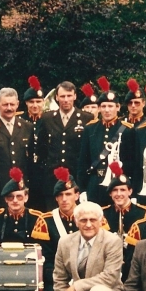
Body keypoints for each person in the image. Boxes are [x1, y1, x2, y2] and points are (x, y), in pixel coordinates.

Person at [35, 81, 93, 211]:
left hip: (76, 179)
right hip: (52, 180)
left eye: (69, 95)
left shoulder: (86, 118)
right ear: (56, 97)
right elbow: (41, 150)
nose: (66, 100)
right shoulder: (47, 118)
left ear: (74, 96)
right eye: (62, 96)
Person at [77, 79, 135, 206]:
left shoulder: (127, 130)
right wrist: (82, 190)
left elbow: (133, 163)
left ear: (118, 107)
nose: (107, 110)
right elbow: (83, 161)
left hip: (118, 185)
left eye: (110, 106)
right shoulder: (90, 129)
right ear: (99, 108)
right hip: (94, 184)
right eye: (103, 106)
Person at [31, 167, 81, 291]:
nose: (64, 199)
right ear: (56, 198)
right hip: (59, 277)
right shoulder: (46, 221)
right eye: (60, 195)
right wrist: (62, 280)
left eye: (68, 194)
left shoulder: (89, 216)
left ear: (77, 195)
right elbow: (44, 258)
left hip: (86, 276)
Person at [0, 168, 44, 244]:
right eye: (10, 197)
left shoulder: (38, 218)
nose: (15, 200)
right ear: (6, 199)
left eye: (19, 196)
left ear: (26, 197)